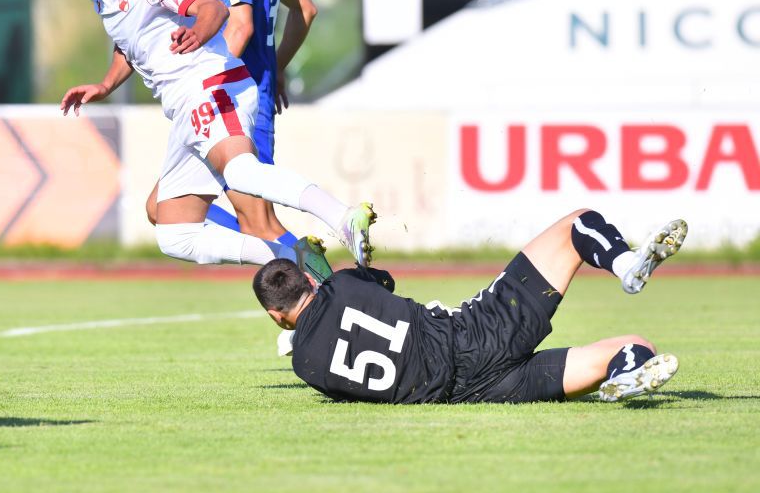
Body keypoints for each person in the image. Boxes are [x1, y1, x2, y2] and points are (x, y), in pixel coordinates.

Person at [41, 0, 374, 270]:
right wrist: (105, 84)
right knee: (172, 230)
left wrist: (199, 32)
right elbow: (131, 42)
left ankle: (343, 217)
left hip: (213, 85)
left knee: (242, 175)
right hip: (186, 107)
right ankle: (290, 258)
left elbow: (210, 7)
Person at [254, 209, 688, 404]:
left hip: (474, 393)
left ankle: (627, 370)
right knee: (578, 224)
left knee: (633, 344)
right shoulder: (344, 285)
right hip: (474, 335)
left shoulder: (306, 368)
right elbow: (381, 282)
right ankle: (627, 265)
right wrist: (342, 268)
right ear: (309, 280)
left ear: (276, 318)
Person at [145, 0, 320, 253]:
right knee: (161, 206)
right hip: (234, 101)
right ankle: (301, 264)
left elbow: (239, 29)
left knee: (260, 225)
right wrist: (274, 69)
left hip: (231, 105)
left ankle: (329, 287)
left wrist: (196, 79)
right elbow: (306, 10)